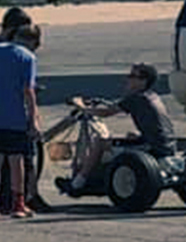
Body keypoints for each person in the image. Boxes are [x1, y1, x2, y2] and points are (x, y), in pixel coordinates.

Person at [0, 8, 52, 213]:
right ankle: (19, 200)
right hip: (16, 115)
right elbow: (28, 90)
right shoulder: (18, 54)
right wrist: (33, 117)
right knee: (20, 159)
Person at [56, 63, 177, 197]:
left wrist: (80, 105)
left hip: (153, 147)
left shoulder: (136, 98)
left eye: (132, 76)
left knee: (100, 142)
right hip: (166, 145)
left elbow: (105, 112)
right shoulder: (152, 96)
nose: (128, 79)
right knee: (128, 137)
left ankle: (77, 183)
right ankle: (93, 175)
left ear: (143, 81)